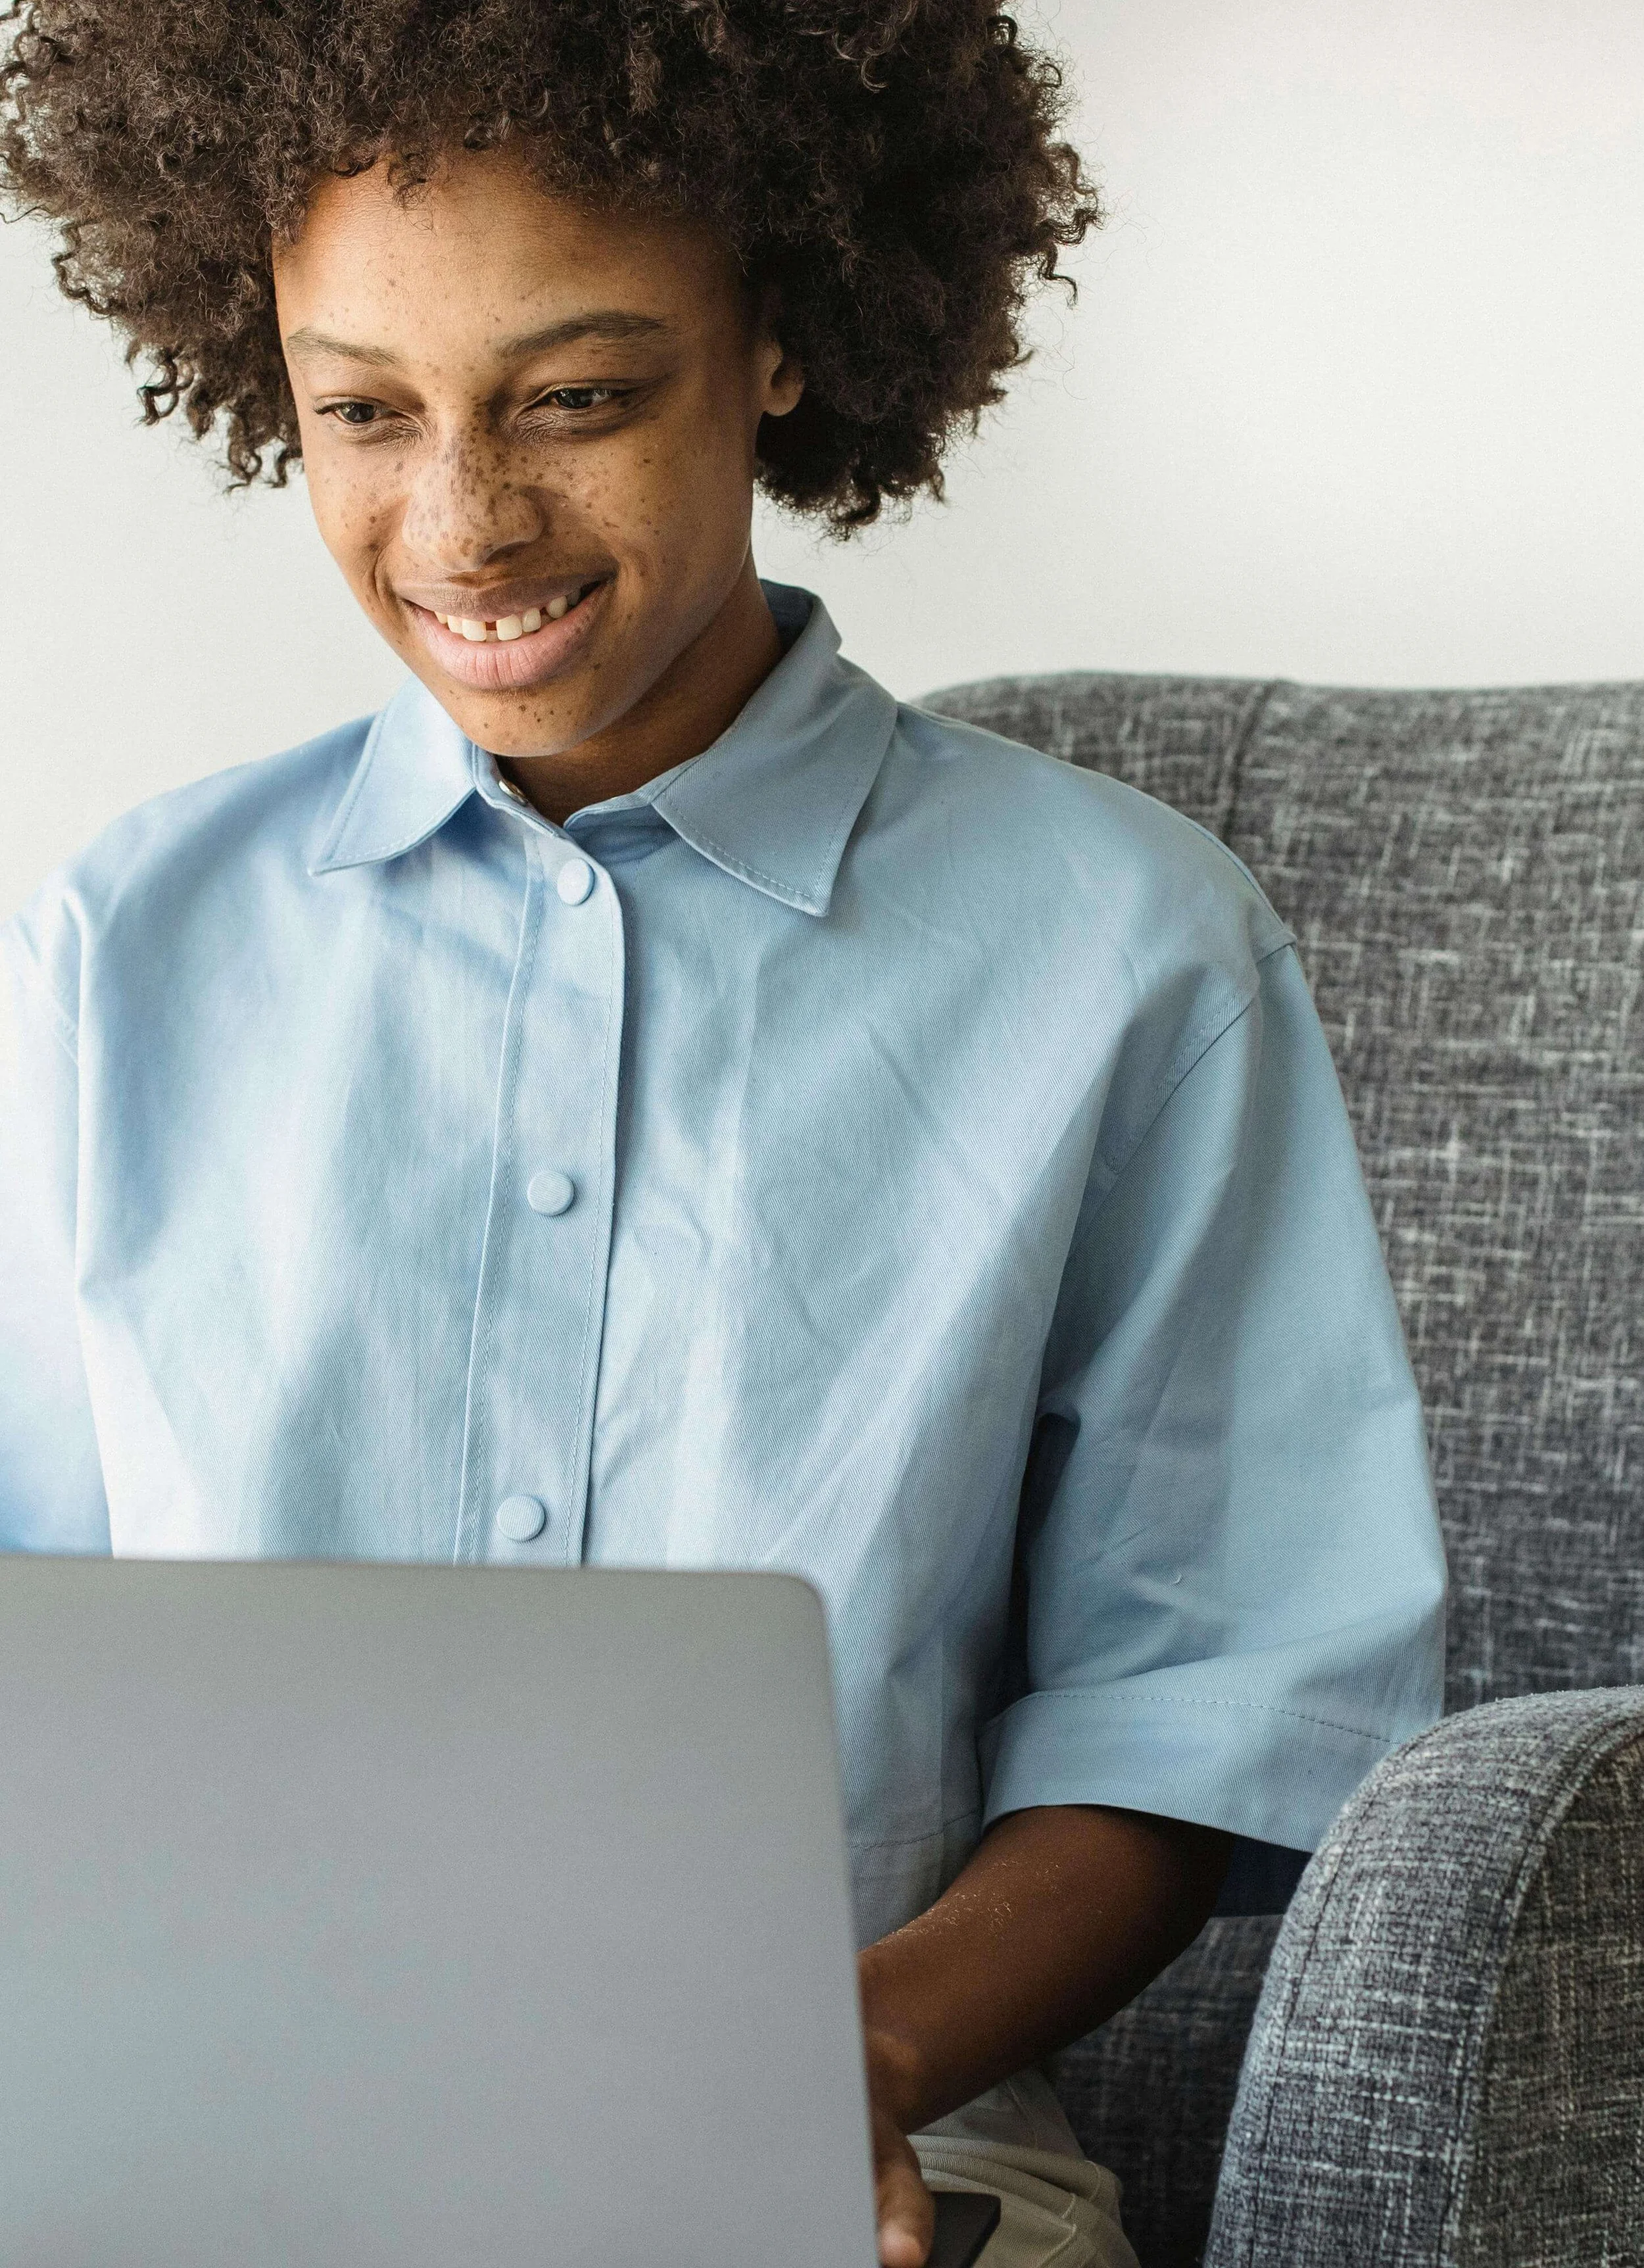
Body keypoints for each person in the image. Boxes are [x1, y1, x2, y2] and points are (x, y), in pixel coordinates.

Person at [0, 5, 1446, 2263]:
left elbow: (1213, 1706)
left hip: (867, 2167)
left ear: (778, 338)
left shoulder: (1123, 947)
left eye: (576, 396)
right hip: (192, 2166)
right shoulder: (124, 941)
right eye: (363, 410)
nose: (463, 521)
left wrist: (830, 2056)